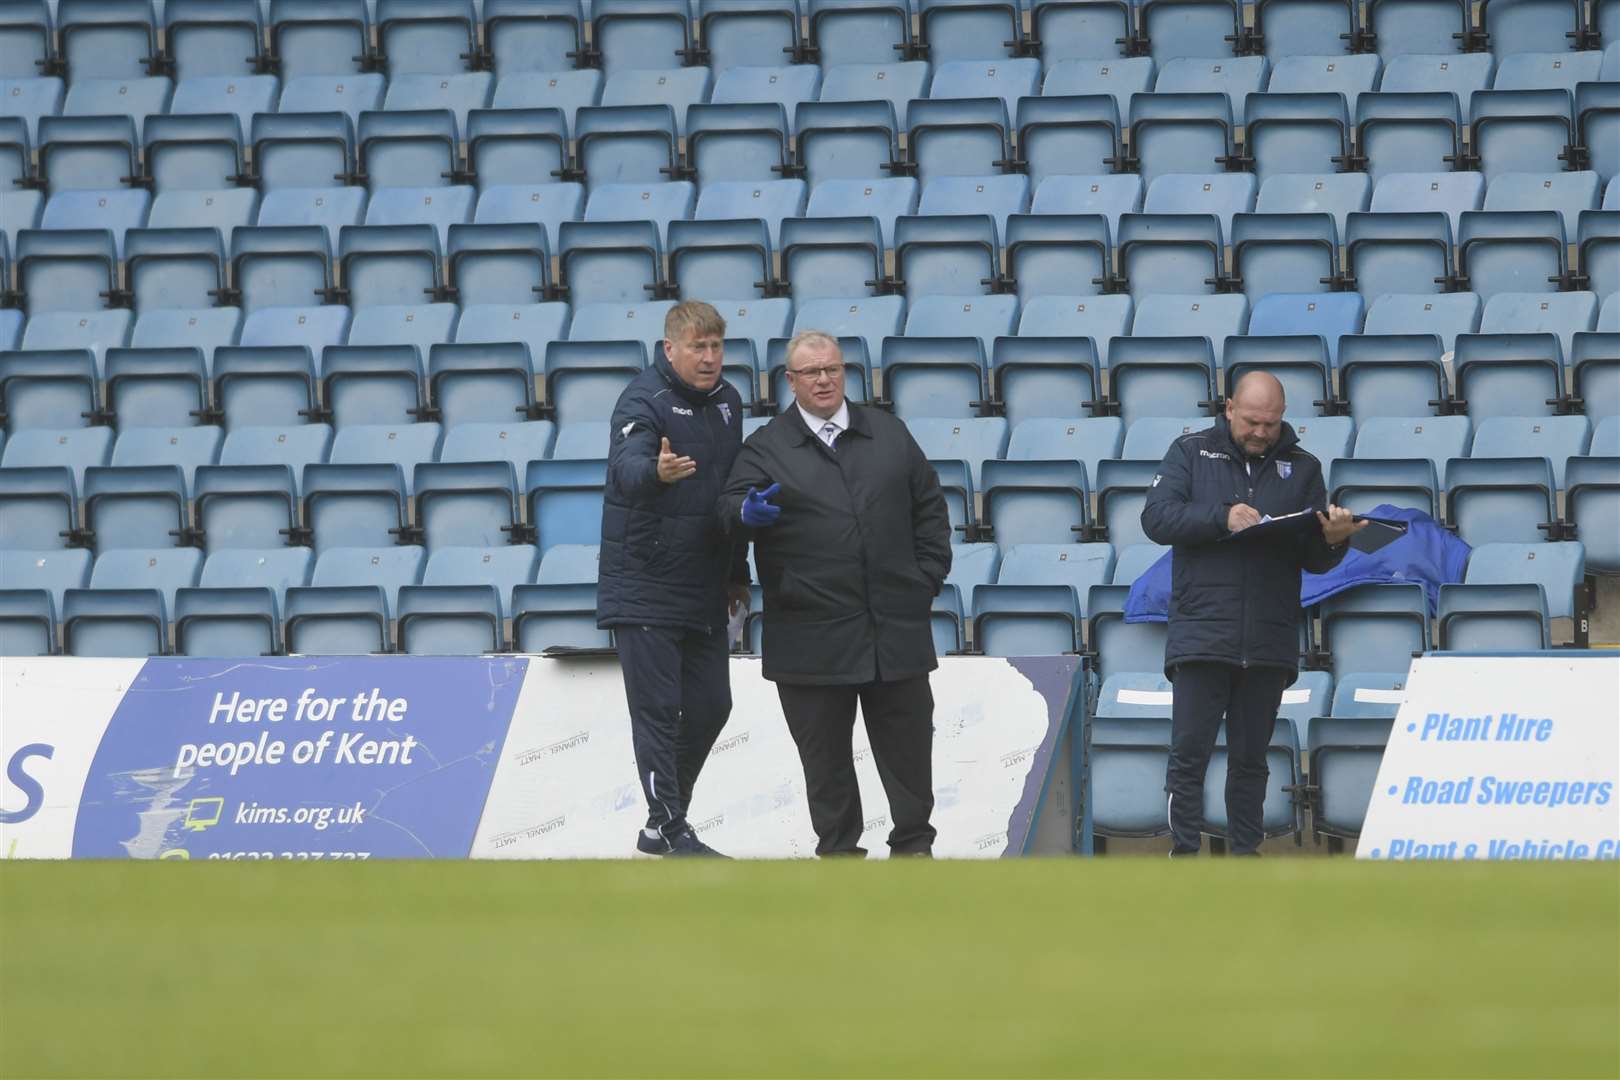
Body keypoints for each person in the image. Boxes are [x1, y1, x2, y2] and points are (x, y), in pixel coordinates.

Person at [718, 330, 952, 858]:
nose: (824, 380)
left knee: (910, 754)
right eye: (811, 372)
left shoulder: (889, 433)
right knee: (825, 764)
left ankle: (915, 850)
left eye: (832, 369)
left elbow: (930, 510)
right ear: (790, 381)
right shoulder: (767, 447)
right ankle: (840, 859)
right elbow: (727, 507)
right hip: (809, 636)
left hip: (895, 628)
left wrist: (924, 581)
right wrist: (742, 513)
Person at [1141, 371, 1366, 857]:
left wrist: (1334, 543)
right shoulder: (1191, 452)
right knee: (1189, 755)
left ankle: (1246, 858)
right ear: (1228, 408)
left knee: (1252, 760)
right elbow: (1156, 518)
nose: (1261, 431)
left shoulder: (1304, 466)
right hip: (1202, 632)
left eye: (1271, 422)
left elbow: (1313, 557)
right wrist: (1221, 516)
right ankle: (1183, 854)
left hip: (1268, 636)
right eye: (1252, 421)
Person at [597, 301, 750, 858]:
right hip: (644, 583)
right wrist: (656, 473)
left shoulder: (730, 403)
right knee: (658, 712)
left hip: (704, 583)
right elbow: (626, 466)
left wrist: (738, 571)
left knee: (713, 706)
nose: (709, 358)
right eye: (697, 348)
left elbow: (731, 495)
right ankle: (670, 826)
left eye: (716, 347)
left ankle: (660, 824)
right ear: (670, 350)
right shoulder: (643, 400)